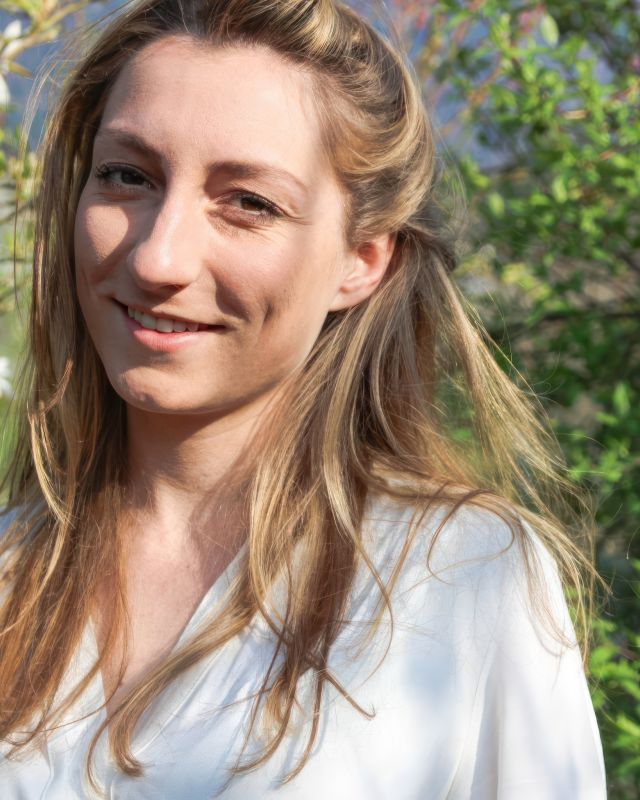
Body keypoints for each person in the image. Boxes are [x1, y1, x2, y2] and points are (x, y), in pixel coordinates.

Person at [0, 0, 607, 797]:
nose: (157, 258)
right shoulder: (11, 568)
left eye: (249, 202)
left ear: (362, 260)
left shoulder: (462, 580)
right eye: (129, 176)